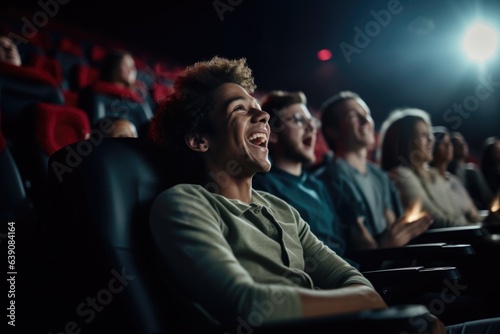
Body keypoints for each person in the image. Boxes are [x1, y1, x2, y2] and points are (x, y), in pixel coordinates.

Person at [147, 56, 500, 334]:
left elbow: (363, 288)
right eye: (240, 110)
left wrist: (370, 306)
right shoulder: (183, 204)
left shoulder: (283, 211)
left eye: (257, 105)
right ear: (199, 140)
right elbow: (250, 306)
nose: (262, 113)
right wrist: (372, 311)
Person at [313, 91, 431, 252]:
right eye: (354, 116)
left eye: (367, 114)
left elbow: (395, 224)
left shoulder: (379, 175)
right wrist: (384, 246)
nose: (366, 121)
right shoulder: (325, 181)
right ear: (332, 131)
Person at [252, 90, 347, 262]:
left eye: (312, 121)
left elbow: (340, 245)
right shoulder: (263, 186)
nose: (311, 128)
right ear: (272, 133)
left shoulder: (317, 185)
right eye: (298, 120)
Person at [377, 108, 477, 228]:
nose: (431, 140)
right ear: (405, 142)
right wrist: (480, 231)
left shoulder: (434, 174)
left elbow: (456, 215)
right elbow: (435, 220)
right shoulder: (401, 174)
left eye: (429, 135)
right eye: (424, 135)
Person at [430, 127, 480, 223]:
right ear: (433, 147)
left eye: (449, 143)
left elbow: (474, 214)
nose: (449, 146)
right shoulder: (429, 179)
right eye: (443, 143)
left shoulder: (454, 180)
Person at [447, 131, 493, 211]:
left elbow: (488, 199)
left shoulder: (471, 170)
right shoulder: (447, 172)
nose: (462, 145)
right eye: (457, 144)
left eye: (463, 142)